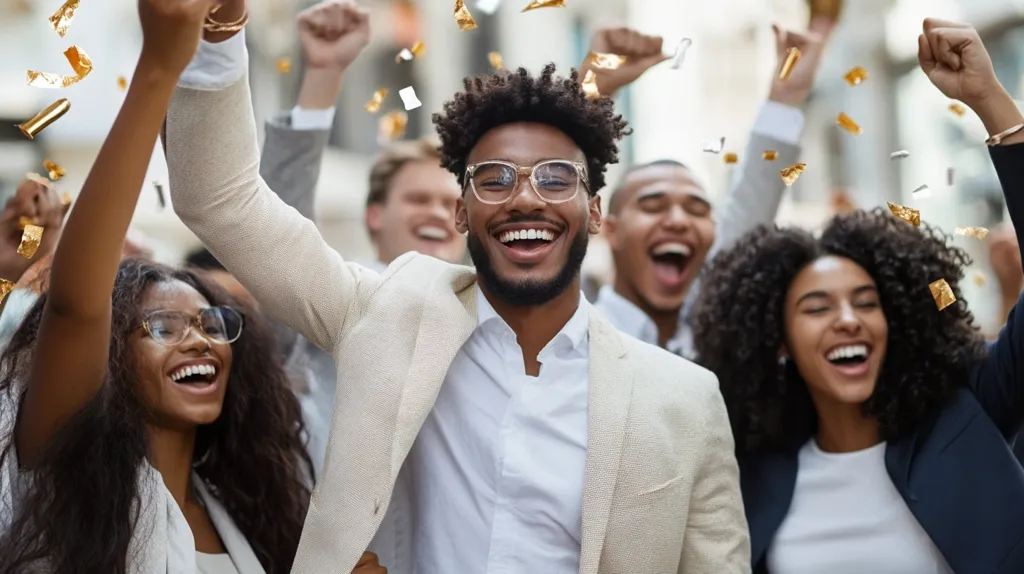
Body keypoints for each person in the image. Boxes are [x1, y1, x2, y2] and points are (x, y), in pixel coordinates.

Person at [165, 0, 749, 572]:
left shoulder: (684, 399)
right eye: (494, 179)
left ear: (594, 211)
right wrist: (218, 29)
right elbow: (221, 200)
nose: (525, 197)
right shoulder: (386, 314)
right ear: (462, 213)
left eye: (555, 178)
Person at [692, 19, 1024, 573]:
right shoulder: (748, 472)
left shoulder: (970, 415)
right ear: (778, 342)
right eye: (816, 307)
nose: (848, 319)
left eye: (867, 302)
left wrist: (992, 104)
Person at [0, 1, 315, 572]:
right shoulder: (62, 477)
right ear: (110, 356)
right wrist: (160, 66)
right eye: (164, 326)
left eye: (211, 323)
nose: (200, 341)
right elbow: (75, 307)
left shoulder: (252, 516)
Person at [593, 18, 832, 356]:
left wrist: (787, 96)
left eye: (698, 209)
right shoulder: (570, 334)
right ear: (609, 229)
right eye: (653, 205)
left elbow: (751, 204)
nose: (679, 221)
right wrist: (591, 89)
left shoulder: (717, 344)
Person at [362, 138, 465, 271]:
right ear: (374, 216)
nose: (439, 213)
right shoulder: (338, 289)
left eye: (451, 204)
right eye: (419, 200)